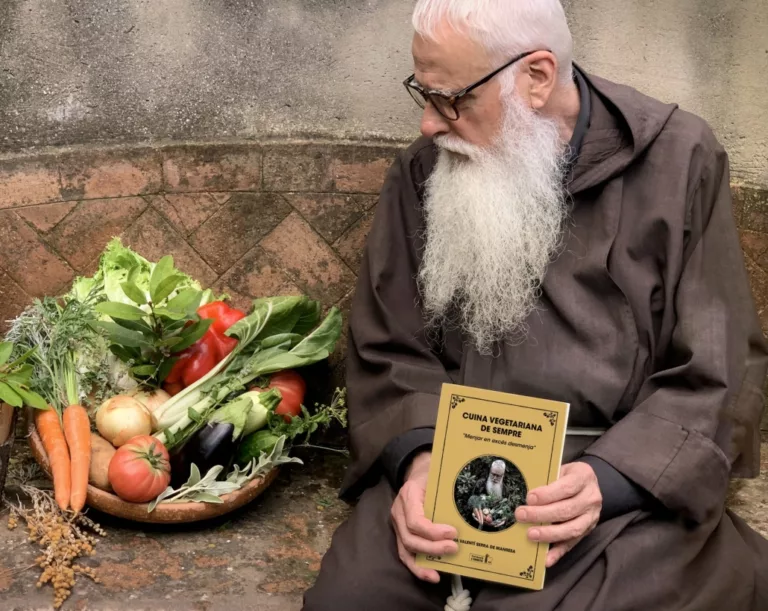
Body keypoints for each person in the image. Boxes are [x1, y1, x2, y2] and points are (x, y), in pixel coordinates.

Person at [302, 1, 768, 609]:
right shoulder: (427, 169)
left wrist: (608, 482)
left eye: (451, 98)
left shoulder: (680, 159)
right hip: (452, 463)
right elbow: (389, 347)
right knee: (353, 598)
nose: (428, 124)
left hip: (613, 475)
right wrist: (417, 462)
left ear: (538, 76)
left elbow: (721, 364)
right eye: (424, 92)